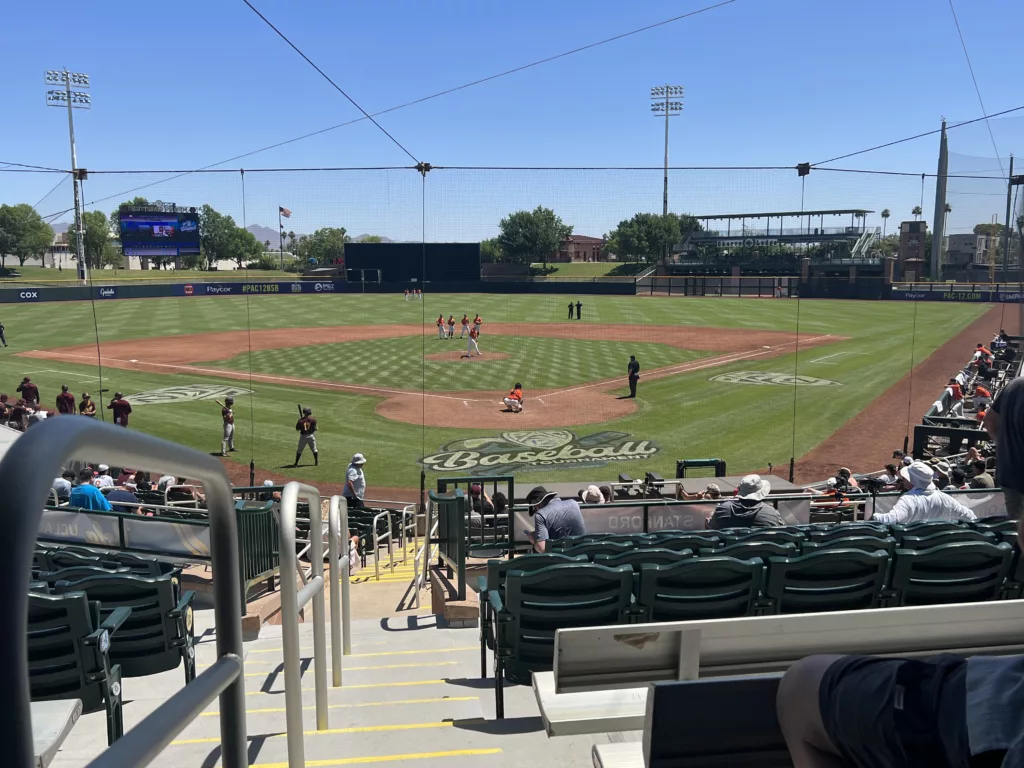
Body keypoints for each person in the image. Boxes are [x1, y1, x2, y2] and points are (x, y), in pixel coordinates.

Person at [870, 460, 976, 524]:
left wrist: (873, 517)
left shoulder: (908, 500)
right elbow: (970, 516)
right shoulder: (944, 498)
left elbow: (890, 520)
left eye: (906, 478)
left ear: (912, 480)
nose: (903, 479)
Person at [984, 376, 1024, 519]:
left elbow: (989, 421)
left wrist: (1005, 446)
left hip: (1009, 474)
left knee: (1014, 528)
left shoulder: (1014, 385)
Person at [707, 474, 784, 529]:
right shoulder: (772, 513)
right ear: (761, 492)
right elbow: (782, 531)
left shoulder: (722, 509)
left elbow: (709, 526)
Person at [524, 486, 585, 552]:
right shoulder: (574, 503)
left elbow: (542, 549)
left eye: (535, 509)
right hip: (581, 554)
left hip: (561, 558)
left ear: (537, 505)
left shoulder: (540, 514)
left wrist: (534, 539)